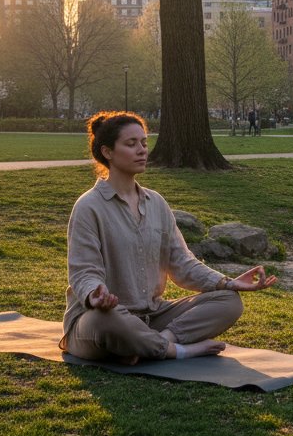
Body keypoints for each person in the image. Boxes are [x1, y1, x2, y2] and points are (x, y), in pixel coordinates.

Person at [60, 111, 276, 364]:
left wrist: (228, 283)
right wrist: (94, 295)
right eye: (131, 144)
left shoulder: (157, 203)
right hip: (102, 317)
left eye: (143, 143)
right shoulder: (89, 206)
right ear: (107, 152)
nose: (141, 150)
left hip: (153, 315)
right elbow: (83, 271)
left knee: (229, 302)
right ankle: (178, 350)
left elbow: (182, 263)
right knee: (109, 321)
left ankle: (152, 342)